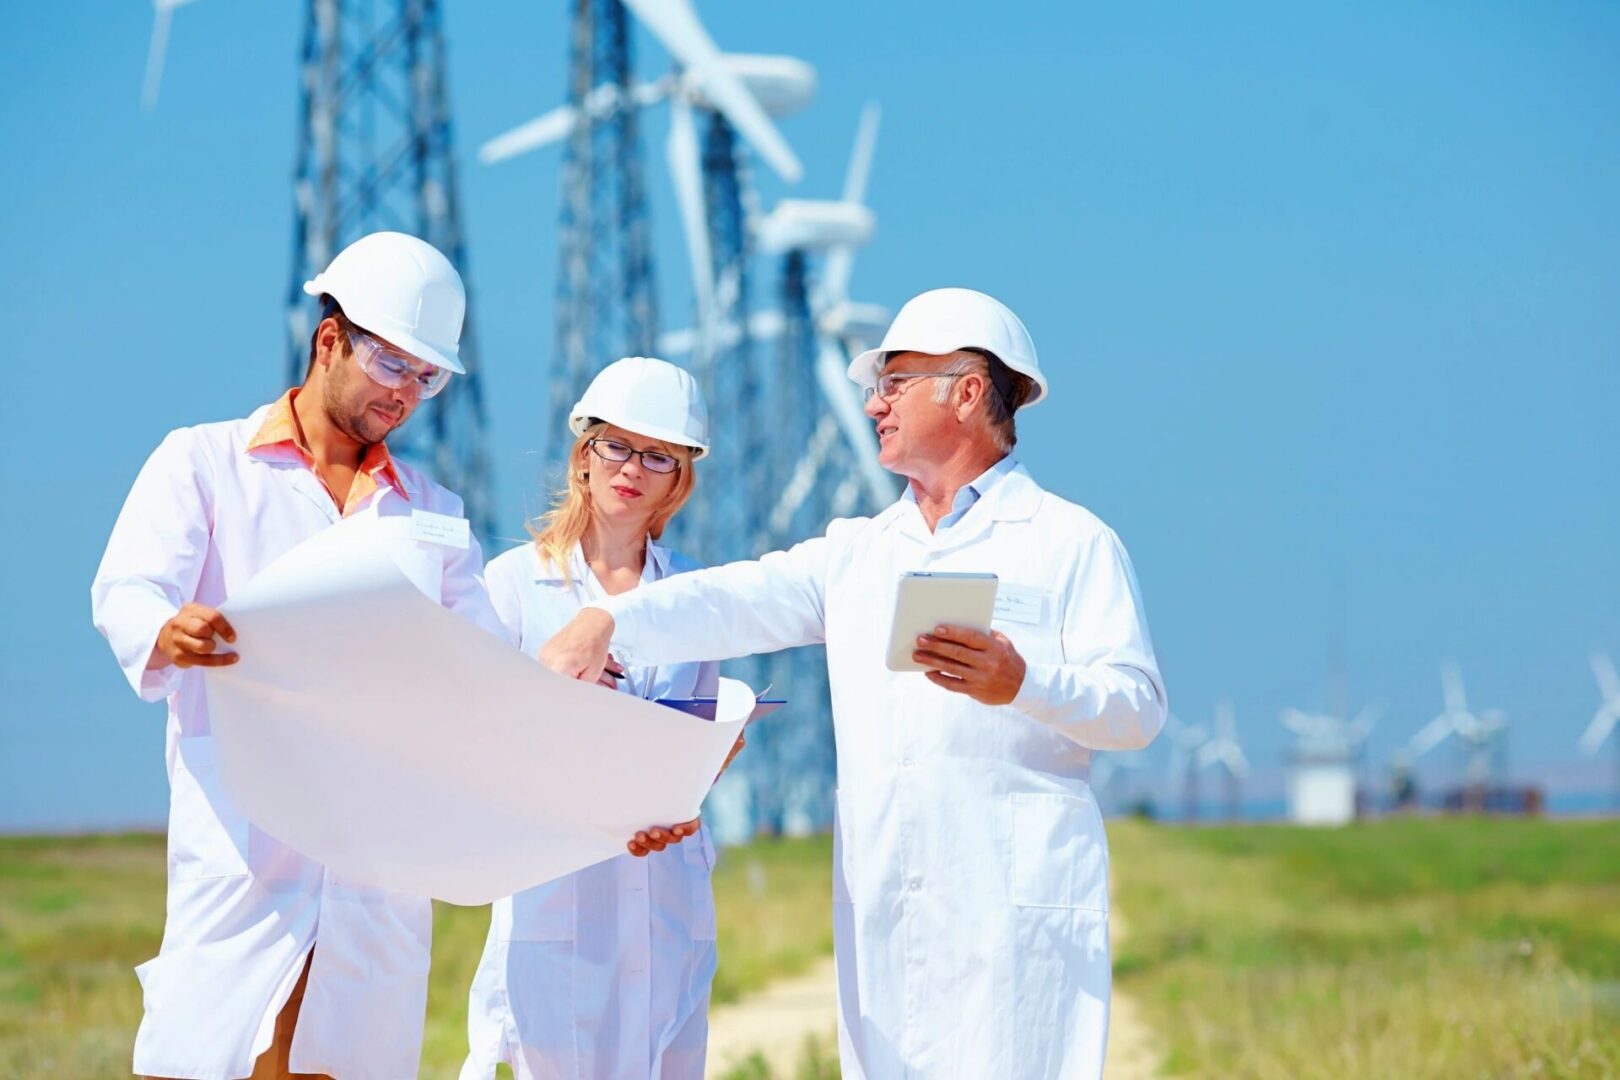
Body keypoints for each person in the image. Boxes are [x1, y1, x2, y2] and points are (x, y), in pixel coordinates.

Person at [539, 288, 1168, 1079]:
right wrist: (612, 622)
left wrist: (1024, 682)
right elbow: (736, 598)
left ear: (968, 392)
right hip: (887, 919)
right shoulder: (861, 552)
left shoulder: (1071, 542)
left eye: (894, 382)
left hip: (1015, 917)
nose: (873, 404)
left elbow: (1138, 709)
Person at [462, 356, 738, 1080]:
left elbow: (699, 725)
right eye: (615, 446)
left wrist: (705, 765)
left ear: (680, 479)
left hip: (665, 884)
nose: (632, 468)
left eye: (658, 456)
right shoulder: (515, 584)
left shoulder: (693, 592)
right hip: (559, 883)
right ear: (584, 457)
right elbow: (478, 734)